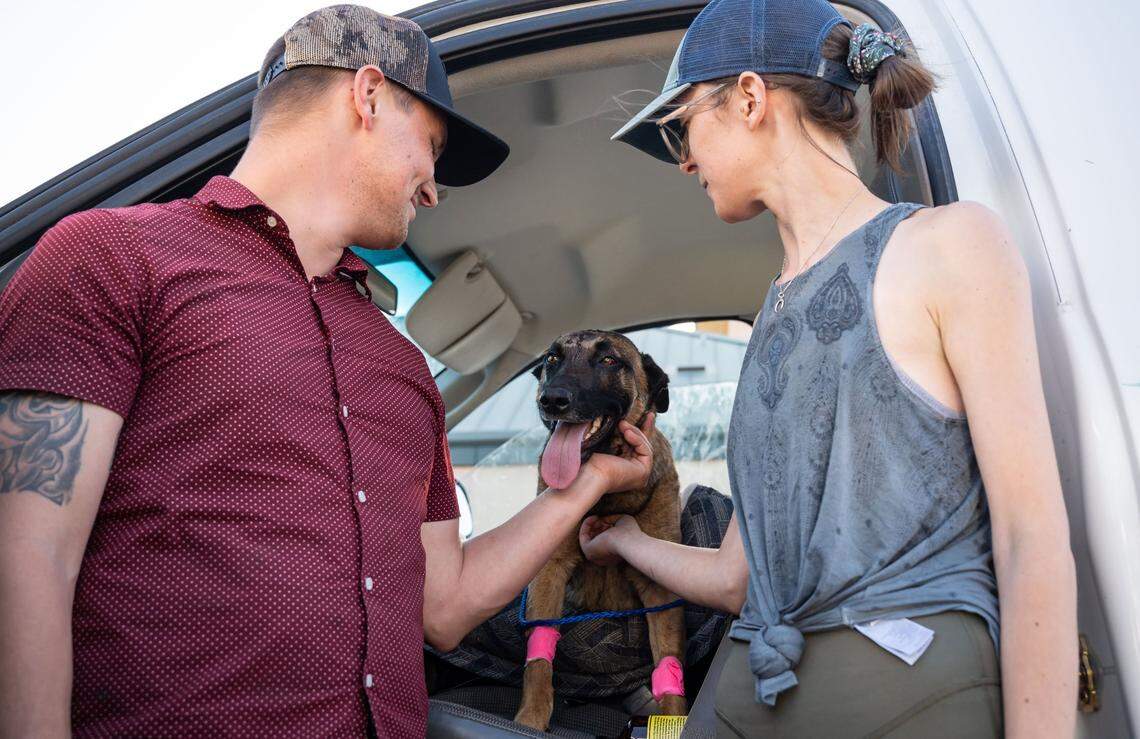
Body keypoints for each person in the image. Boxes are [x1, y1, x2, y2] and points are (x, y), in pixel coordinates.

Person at [0, 5, 653, 737]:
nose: (433, 187)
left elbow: (445, 605)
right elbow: (28, 555)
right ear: (367, 97)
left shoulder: (403, 368)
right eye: (431, 147)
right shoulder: (113, 260)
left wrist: (591, 482)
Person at [583, 0, 1078, 735]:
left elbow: (1029, 534)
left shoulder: (947, 245)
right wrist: (622, 537)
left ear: (749, 98)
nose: (683, 158)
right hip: (753, 688)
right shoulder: (771, 318)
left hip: (906, 695)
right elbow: (733, 578)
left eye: (680, 124)